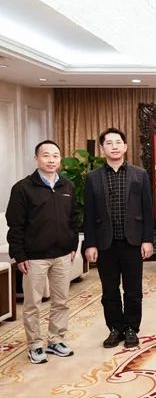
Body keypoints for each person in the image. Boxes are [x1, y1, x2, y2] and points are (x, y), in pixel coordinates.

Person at [6, 140, 79, 364]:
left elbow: (74, 219)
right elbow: (15, 225)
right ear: (36, 159)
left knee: (61, 301)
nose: (51, 160)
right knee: (32, 305)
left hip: (62, 255)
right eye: (46, 155)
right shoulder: (22, 188)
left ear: (60, 159)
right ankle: (35, 345)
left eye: (55, 155)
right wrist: (19, 255)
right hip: (34, 257)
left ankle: (56, 340)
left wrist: (73, 245)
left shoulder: (67, 186)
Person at [83, 128, 154, 349]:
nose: (114, 146)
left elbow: (147, 209)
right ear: (102, 148)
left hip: (132, 242)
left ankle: (131, 328)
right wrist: (90, 243)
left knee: (133, 290)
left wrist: (147, 239)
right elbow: (89, 214)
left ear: (125, 146)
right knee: (109, 290)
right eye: (109, 143)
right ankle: (115, 328)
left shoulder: (139, 174)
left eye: (118, 142)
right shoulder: (93, 178)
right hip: (105, 243)